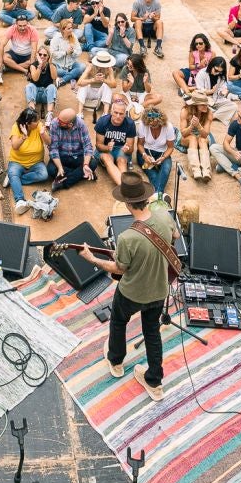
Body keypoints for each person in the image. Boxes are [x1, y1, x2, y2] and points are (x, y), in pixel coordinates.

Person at [77, 171, 179, 402]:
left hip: (132, 292)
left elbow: (120, 269)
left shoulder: (127, 237)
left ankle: (116, 361)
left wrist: (92, 259)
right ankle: (154, 383)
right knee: (152, 332)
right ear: (145, 197)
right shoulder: (163, 214)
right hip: (159, 290)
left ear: (126, 203)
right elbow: (173, 235)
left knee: (119, 321)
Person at [5, 105, 51, 213]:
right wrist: (24, 137)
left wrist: (43, 134)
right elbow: (15, 146)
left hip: (36, 162)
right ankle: (20, 200)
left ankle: (13, 179)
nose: (39, 122)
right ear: (28, 123)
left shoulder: (39, 125)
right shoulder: (16, 127)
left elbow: (49, 142)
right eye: (35, 121)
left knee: (44, 175)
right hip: (17, 162)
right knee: (14, 172)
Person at [46, 107, 93, 189]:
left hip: (77, 156)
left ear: (70, 124)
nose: (58, 121)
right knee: (50, 169)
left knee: (93, 163)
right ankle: (80, 174)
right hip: (62, 157)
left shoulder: (81, 125)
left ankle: (63, 183)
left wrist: (85, 164)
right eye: (58, 119)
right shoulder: (54, 123)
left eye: (61, 122)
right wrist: (60, 167)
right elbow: (53, 149)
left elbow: (88, 146)